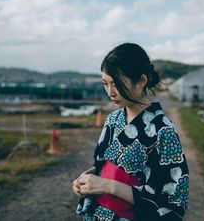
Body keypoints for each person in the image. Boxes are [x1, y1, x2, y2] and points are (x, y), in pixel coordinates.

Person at [72, 43, 189, 221]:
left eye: (117, 84)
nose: (110, 92)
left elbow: (173, 200)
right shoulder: (113, 120)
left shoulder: (163, 130)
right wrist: (86, 180)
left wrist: (108, 186)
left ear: (141, 81)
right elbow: (103, 166)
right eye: (105, 84)